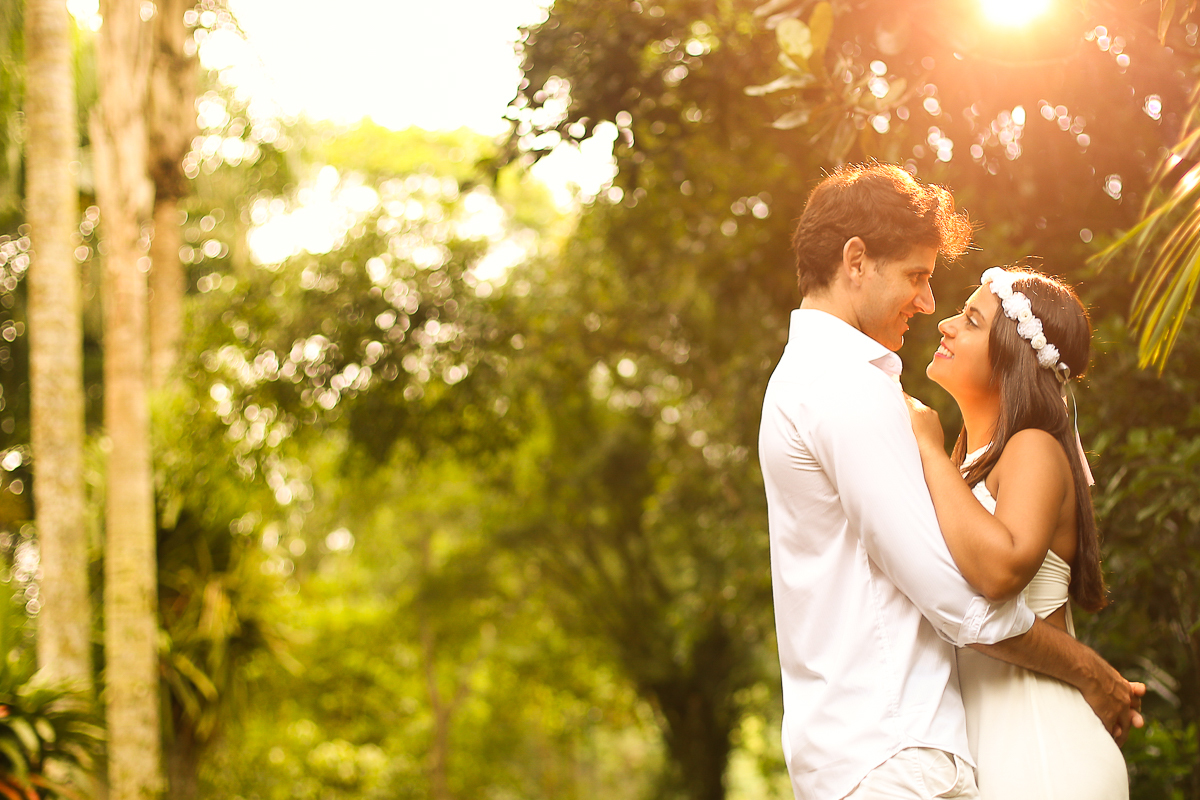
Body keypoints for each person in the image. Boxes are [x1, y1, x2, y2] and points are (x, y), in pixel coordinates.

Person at [757, 163, 1142, 800]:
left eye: (965, 313)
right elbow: (957, 597)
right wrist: (1089, 671)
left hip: (968, 748)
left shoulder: (829, 384)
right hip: (896, 756)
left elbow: (979, 577)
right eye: (917, 277)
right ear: (856, 261)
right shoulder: (847, 387)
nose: (931, 307)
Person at [905, 266, 1129, 798]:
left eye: (972, 320)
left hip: (1042, 747)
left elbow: (1001, 570)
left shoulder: (1032, 448)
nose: (946, 326)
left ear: (1011, 355)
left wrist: (928, 451)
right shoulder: (966, 464)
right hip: (981, 746)